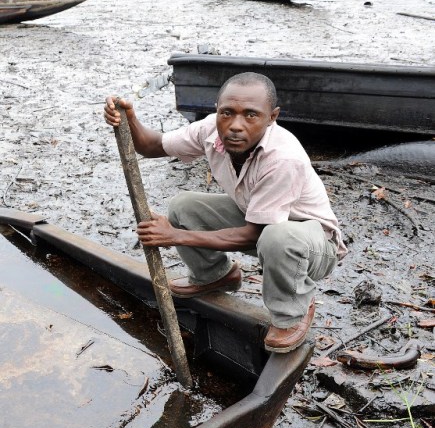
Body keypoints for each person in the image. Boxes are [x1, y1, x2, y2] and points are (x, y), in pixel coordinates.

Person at [104, 72, 347, 353]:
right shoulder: (210, 130)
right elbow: (151, 145)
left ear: (272, 117)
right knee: (184, 206)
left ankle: (292, 314)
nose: (235, 126)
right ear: (217, 110)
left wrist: (176, 236)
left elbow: (252, 236)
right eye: (227, 113)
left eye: (251, 115)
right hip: (261, 221)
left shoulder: (283, 158)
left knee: (277, 238)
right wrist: (130, 119)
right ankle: (215, 275)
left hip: (312, 244)